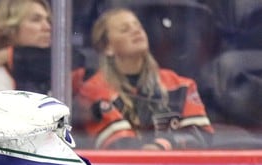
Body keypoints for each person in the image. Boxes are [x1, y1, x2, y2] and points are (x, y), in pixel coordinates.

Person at [74, 7, 214, 150]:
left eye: (138, 26)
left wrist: (162, 145)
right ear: (107, 47)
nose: (136, 31)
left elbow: (201, 136)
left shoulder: (181, 85)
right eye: (124, 29)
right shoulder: (94, 90)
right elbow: (119, 145)